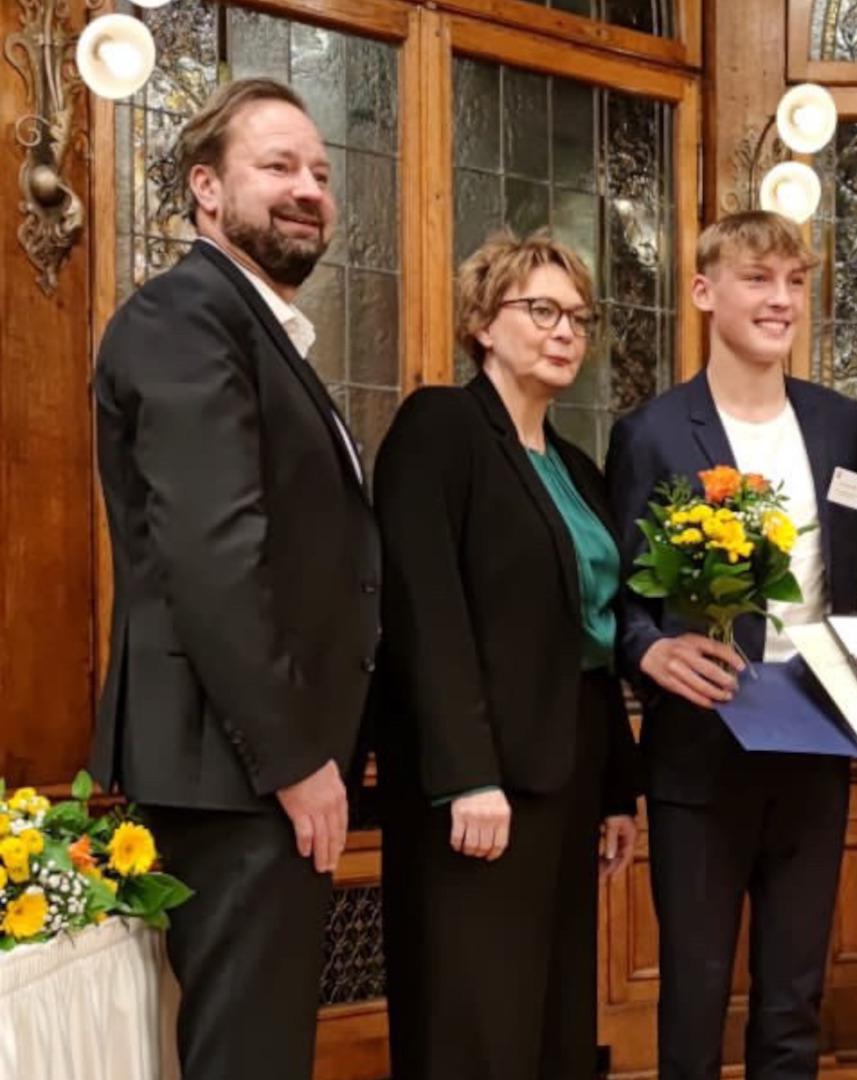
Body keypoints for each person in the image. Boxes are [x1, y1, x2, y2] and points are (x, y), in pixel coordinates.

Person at [606, 210, 857, 1080]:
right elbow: (617, 597)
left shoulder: (841, 426)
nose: (781, 299)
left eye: (795, 283)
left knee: (794, 993)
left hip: (819, 740)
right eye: (758, 279)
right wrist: (648, 653)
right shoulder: (651, 434)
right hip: (698, 751)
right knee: (694, 989)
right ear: (704, 291)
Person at [90, 78, 380, 1080]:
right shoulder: (185, 318)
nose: (308, 188)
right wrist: (297, 759)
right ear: (206, 191)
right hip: (238, 770)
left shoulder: (256, 329)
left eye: (319, 171)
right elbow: (215, 556)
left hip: (258, 765)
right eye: (277, 167)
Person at [373, 230, 640, 1080]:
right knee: (475, 1022)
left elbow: (591, 639)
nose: (566, 331)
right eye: (542, 310)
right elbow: (426, 610)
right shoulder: (440, 428)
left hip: (568, 774)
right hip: (478, 786)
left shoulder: (578, 468)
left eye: (578, 317)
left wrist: (618, 791)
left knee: (553, 1014)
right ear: (484, 323)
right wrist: (465, 775)